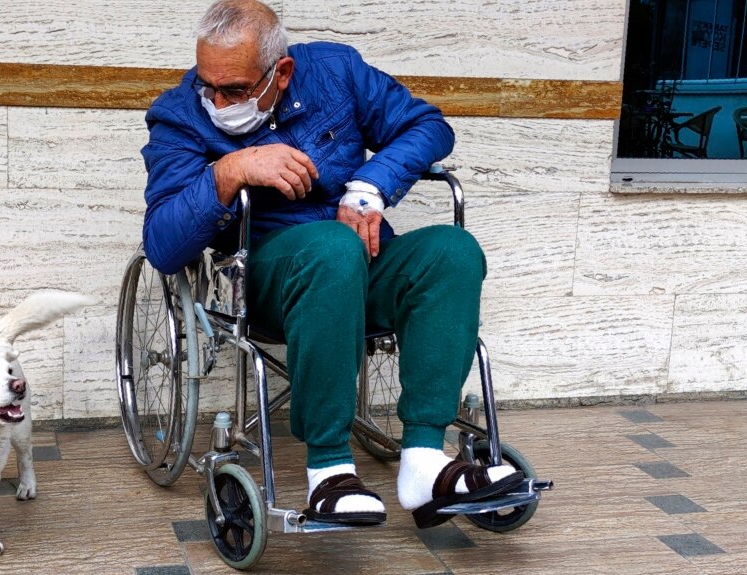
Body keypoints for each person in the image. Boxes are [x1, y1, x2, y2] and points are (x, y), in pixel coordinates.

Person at [141, 0, 521, 529]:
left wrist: (372, 186)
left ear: (283, 72)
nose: (217, 101)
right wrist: (229, 171)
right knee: (330, 249)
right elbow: (161, 244)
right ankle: (329, 470)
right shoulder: (181, 113)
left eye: (235, 90)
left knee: (452, 252)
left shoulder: (336, 72)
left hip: (361, 259)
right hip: (267, 274)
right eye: (209, 85)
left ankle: (424, 461)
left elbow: (428, 126)